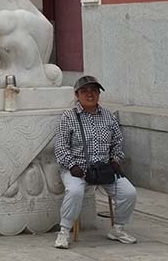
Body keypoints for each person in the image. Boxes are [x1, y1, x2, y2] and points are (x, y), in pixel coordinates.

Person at [53, 75, 138, 249]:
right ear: (77, 95)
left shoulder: (108, 116)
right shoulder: (69, 117)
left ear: (99, 94)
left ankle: (118, 228)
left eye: (94, 91)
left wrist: (115, 160)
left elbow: (117, 142)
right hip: (77, 169)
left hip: (104, 169)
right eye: (84, 91)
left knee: (129, 192)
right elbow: (61, 146)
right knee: (75, 191)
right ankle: (64, 232)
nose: (90, 94)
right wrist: (72, 166)